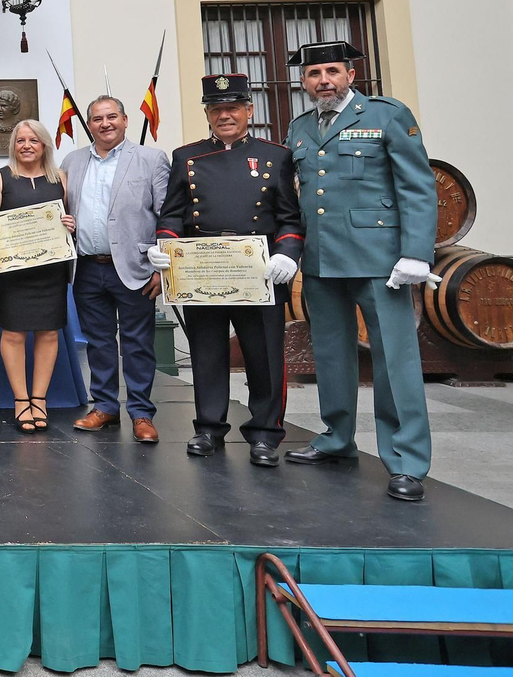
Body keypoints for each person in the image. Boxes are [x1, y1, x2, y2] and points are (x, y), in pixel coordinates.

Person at [281, 41, 436, 501]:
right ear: (304, 82)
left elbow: (418, 186)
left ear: (350, 74)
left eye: (332, 71)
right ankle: (336, 438)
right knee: (330, 354)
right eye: (313, 74)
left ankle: (406, 460)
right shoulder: (301, 128)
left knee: (395, 360)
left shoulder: (386, 115)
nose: (323, 80)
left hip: (379, 259)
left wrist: (416, 253)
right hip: (323, 259)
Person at [150, 74, 302, 466]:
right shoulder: (187, 156)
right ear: (207, 114)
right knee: (207, 352)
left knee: (265, 354)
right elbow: (173, 214)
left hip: (259, 270)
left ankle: (266, 433)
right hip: (204, 268)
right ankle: (208, 427)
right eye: (216, 109)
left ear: (248, 110)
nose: (225, 116)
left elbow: (289, 217)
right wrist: (164, 247)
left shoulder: (276, 156)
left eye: (232, 108)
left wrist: (287, 253)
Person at [60, 95, 170, 443]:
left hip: (136, 267)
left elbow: (167, 215)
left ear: (124, 120)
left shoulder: (151, 159)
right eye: (97, 119)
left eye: (112, 117)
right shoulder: (72, 161)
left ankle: (141, 413)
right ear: (88, 124)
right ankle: (105, 407)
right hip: (87, 268)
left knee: (138, 343)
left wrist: (161, 269)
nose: (105, 124)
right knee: (98, 342)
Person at [0, 119, 74, 434]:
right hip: (14, 272)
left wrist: (72, 223)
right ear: (13, 146)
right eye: (20, 140)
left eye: (34, 140)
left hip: (51, 270)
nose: (27, 145)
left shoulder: (62, 179)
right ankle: (20, 400)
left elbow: (71, 218)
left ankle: (39, 399)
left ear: (44, 145)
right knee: (14, 334)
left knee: (49, 333)